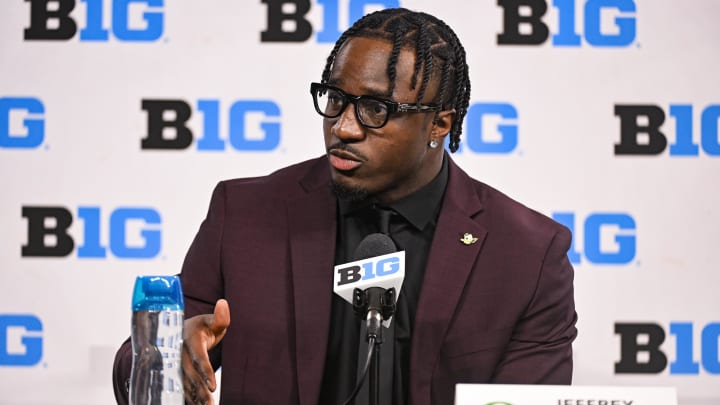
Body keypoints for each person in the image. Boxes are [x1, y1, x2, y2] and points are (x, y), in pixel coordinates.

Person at [113, 7, 577, 405]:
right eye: (336, 100)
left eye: (376, 109)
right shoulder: (247, 214)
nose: (344, 127)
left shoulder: (527, 254)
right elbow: (138, 362)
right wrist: (166, 353)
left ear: (440, 123)